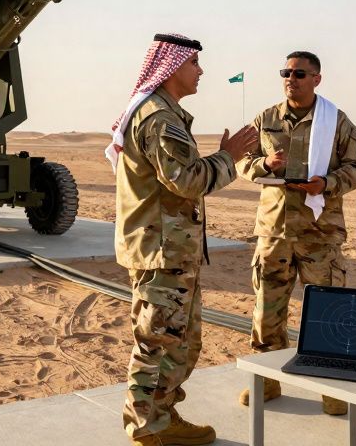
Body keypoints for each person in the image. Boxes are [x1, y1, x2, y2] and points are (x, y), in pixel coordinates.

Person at [108, 33, 259, 446]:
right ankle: (145, 426)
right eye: (194, 63)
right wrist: (229, 156)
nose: (201, 71)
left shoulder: (164, 114)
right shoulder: (159, 119)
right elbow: (187, 181)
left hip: (170, 251)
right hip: (162, 252)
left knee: (180, 342)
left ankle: (162, 414)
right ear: (173, 67)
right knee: (156, 341)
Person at [234, 51, 356, 415]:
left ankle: (331, 388)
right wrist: (264, 164)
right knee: (267, 311)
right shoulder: (265, 119)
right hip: (274, 230)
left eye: (299, 73)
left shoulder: (336, 121)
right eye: (286, 72)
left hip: (320, 233)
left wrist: (327, 183)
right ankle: (267, 382)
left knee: (327, 313)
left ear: (316, 79)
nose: (290, 79)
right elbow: (241, 160)